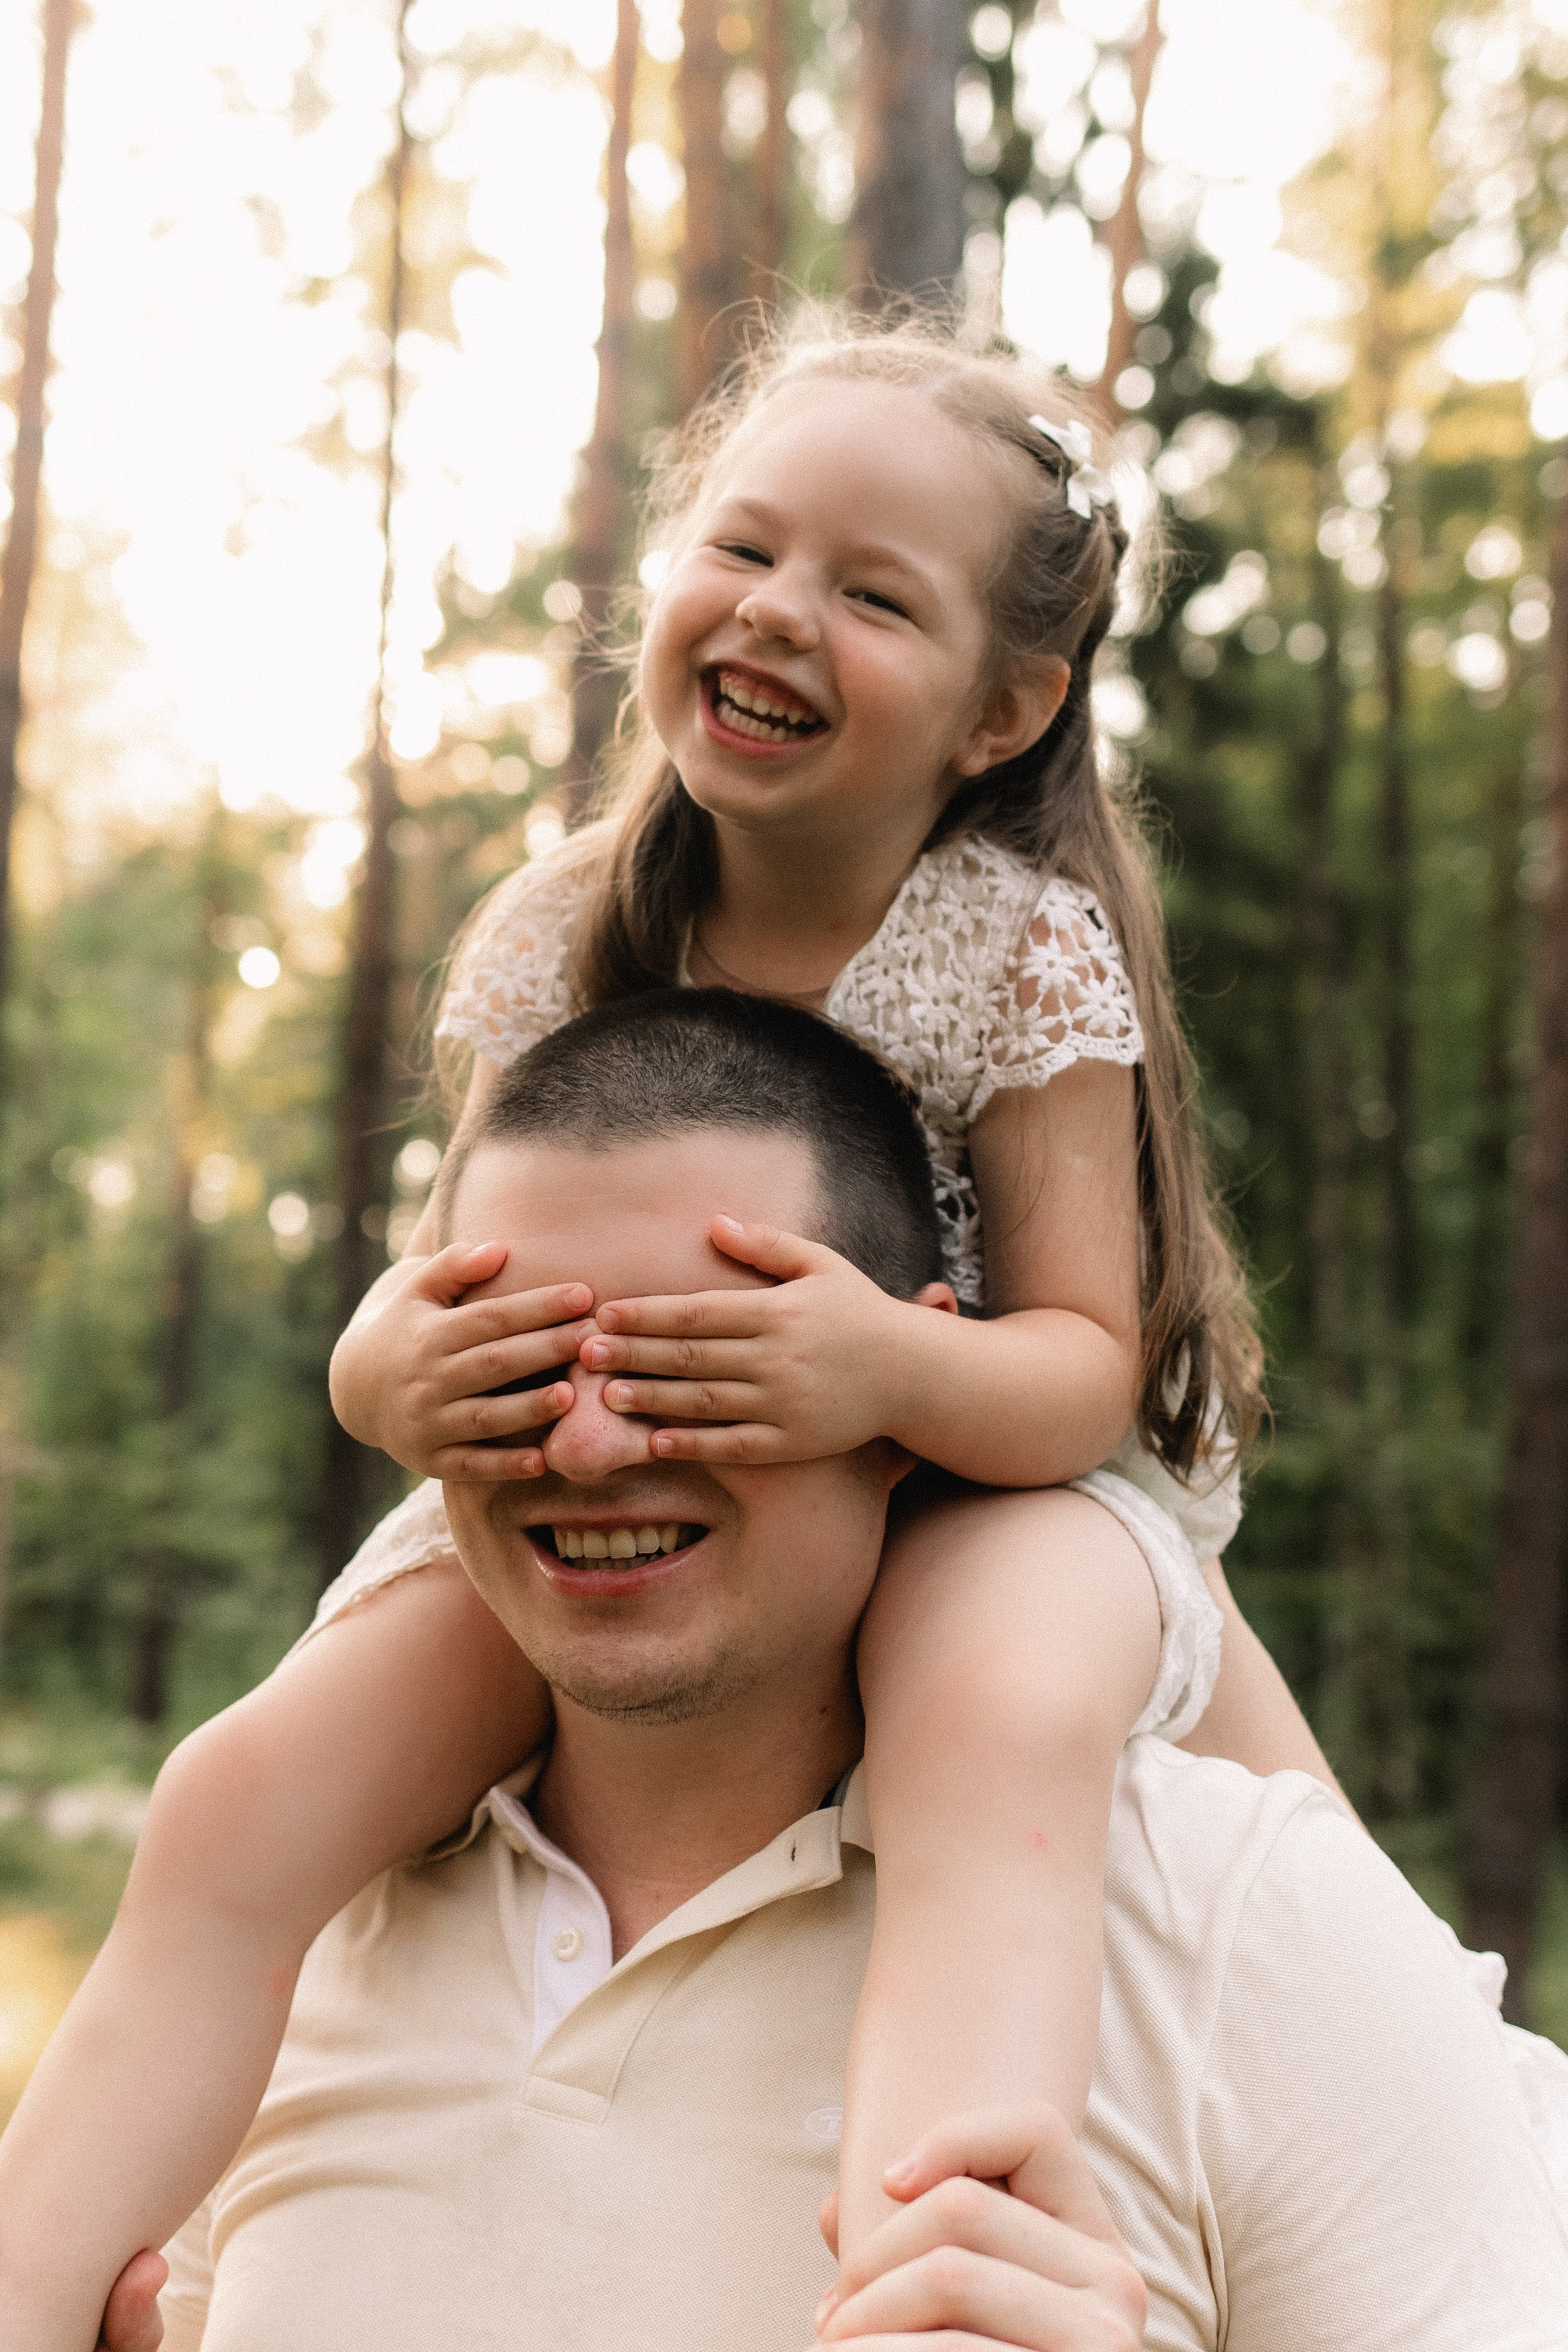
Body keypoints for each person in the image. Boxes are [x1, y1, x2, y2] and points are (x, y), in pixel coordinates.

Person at [0, 310, 1445, 2340]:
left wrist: (874, 1366)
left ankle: (945, 2247)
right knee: (246, 1788)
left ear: (1002, 704)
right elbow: (437, 1287)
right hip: (630, 1457)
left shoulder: (1012, 948)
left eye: (869, 592)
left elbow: (1078, 1364)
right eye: (743, 549)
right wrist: (383, 1368)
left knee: (990, 1722)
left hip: (987, 1476)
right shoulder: (563, 922)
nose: (778, 614)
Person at [95, 993, 1568, 2349]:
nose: (592, 1447)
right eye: (520, 1366)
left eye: (701, 1366)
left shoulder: (1247, 1930)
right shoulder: (292, 1928)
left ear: (905, 1395)